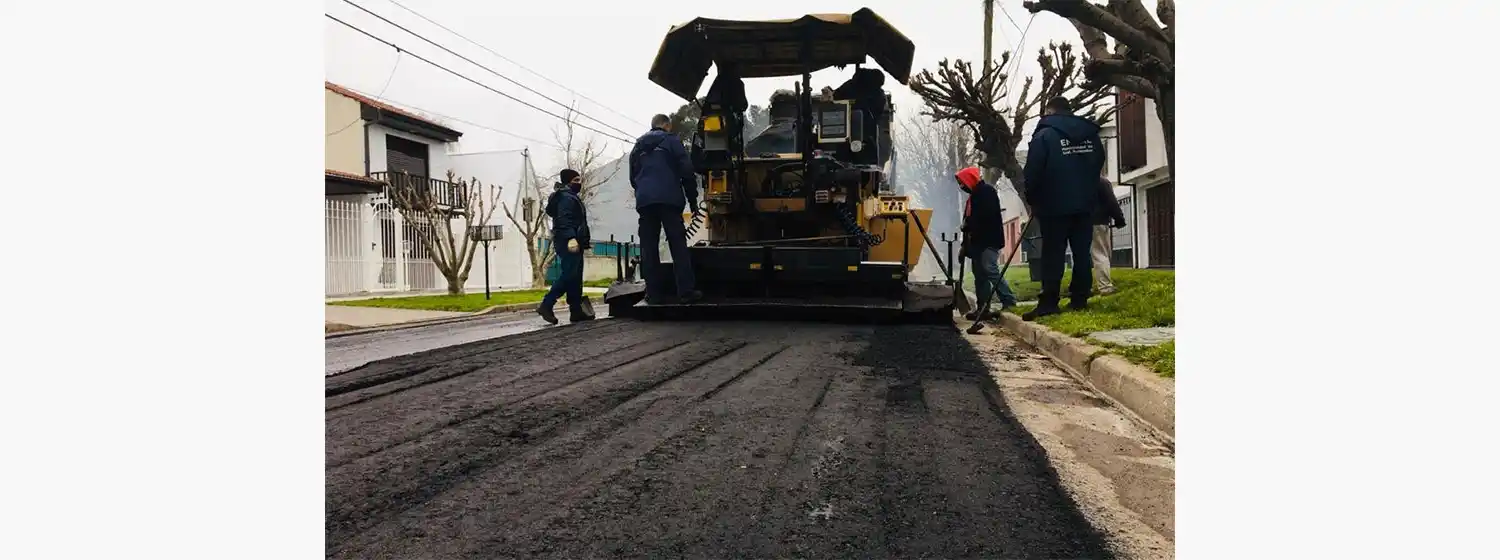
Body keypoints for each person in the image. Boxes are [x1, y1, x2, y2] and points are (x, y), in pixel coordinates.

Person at [1021, 97, 1107, 321]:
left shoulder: (1044, 136)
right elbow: (1099, 162)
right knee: (1081, 252)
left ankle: (1049, 302)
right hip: (1085, 204)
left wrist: (1033, 200)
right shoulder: (1090, 135)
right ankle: (1079, 299)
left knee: (1053, 254)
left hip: (1053, 205)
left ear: (1050, 111)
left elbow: (1032, 173)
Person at [631, 114, 702, 304]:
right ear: (667, 125)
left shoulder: (638, 145)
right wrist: (693, 200)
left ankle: (653, 294)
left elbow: (633, 176)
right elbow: (686, 171)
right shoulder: (672, 141)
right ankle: (685, 292)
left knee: (648, 247)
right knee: (678, 245)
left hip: (645, 202)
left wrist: (643, 193)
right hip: (669, 200)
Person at [955, 166, 1017, 333]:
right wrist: (964, 247)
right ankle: (983, 308)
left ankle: (1009, 301)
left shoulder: (986, 193)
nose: (961, 186)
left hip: (989, 240)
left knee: (990, 269)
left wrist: (969, 224)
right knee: (979, 275)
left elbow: (985, 218)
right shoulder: (972, 197)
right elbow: (968, 223)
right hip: (976, 243)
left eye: (962, 182)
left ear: (970, 179)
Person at [535, 169, 593, 324]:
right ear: (568, 182)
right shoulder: (566, 198)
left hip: (573, 240)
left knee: (575, 276)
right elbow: (564, 219)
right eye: (576, 180)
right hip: (568, 240)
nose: (579, 183)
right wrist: (571, 238)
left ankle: (576, 310)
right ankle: (547, 304)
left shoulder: (569, 196)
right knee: (569, 275)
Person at [1091, 175, 1128, 295]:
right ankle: (1105, 287)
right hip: (1097, 222)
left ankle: (1082, 288)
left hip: (1078, 223)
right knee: (1101, 254)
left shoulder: (1077, 180)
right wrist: (1119, 219)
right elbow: (1111, 202)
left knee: (1083, 257)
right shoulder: (1101, 181)